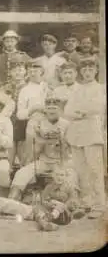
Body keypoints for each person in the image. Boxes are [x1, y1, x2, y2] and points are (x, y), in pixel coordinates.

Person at [63, 57, 106, 219]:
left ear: (95, 71)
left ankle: (99, 204)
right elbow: (67, 111)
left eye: (90, 69)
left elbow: (97, 108)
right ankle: (86, 202)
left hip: (92, 132)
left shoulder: (100, 88)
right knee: (81, 170)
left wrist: (81, 112)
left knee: (95, 169)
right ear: (80, 72)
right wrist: (81, 113)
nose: (87, 72)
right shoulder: (77, 89)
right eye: (84, 70)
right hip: (76, 133)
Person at [9, 97, 72, 201]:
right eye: (49, 108)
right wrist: (40, 138)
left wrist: (61, 140)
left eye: (54, 108)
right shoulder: (40, 124)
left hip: (62, 161)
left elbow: (70, 149)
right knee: (22, 173)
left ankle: (73, 203)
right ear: (45, 110)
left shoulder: (67, 124)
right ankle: (13, 198)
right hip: (44, 160)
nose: (51, 111)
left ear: (60, 110)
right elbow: (36, 150)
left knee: (72, 177)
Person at [16, 59, 50, 166]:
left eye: (35, 70)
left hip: (50, 123)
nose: (32, 73)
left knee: (50, 153)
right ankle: (30, 179)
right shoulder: (25, 90)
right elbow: (20, 114)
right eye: (30, 71)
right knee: (31, 154)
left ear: (42, 71)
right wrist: (33, 109)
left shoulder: (49, 87)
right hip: (33, 123)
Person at [32, 166, 86, 231]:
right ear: (53, 176)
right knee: (37, 208)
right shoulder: (49, 187)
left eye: (62, 175)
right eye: (57, 175)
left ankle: (48, 219)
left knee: (61, 206)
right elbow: (44, 200)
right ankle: (45, 224)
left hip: (63, 215)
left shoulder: (70, 187)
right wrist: (51, 204)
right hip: (48, 212)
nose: (59, 177)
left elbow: (72, 201)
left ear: (66, 177)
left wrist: (58, 204)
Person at [0, 54, 28, 165]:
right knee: (6, 159)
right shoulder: (3, 88)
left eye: (20, 70)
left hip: (23, 126)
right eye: (14, 70)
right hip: (8, 125)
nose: (18, 73)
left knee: (24, 157)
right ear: (10, 72)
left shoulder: (28, 87)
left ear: (25, 71)